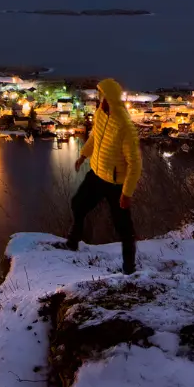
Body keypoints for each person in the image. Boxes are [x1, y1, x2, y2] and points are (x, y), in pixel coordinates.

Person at [65, 77, 140, 273]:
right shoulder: (100, 114)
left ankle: (129, 266)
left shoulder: (125, 127)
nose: (99, 99)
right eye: (99, 95)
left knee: (123, 227)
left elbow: (135, 164)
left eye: (102, 96)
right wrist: (83, 156)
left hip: (116, 184)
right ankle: (73, 241)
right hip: (97, 174)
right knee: (78, 204)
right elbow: (94, 138)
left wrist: (127, 193)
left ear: (110, 98)